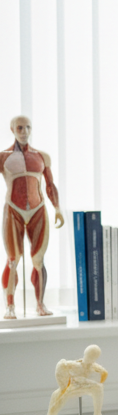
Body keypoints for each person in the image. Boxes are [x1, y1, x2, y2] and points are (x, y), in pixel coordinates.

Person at [1, 115, 63, 318]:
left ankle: (40, 304)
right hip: (13, 209)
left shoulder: (41, 156)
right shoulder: (4, 157)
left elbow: (49, 184)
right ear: (12, 129)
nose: (24, 131)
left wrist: (57, 208)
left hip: (38, 210)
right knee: (13, 259)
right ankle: (10, 305)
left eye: (28, 127)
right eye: (20, 127)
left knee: (38, 259)